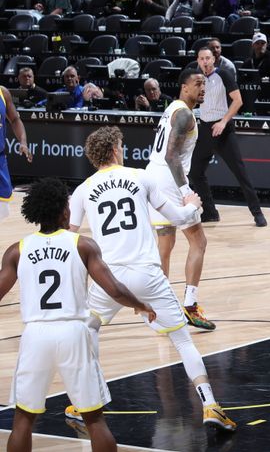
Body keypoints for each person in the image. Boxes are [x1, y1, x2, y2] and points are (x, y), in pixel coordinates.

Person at [67, 126, 236, 432]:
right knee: (182, 340)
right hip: (146, 272)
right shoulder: (141, 177)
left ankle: (84, 401)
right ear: (116, 150)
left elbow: (68, 240)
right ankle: (211, 406)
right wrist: (194, 206)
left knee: (88, 328)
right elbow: (179, 218)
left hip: (108, 277)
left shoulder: (82, 191)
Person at [1, 178, 155, 452]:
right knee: (94, 419)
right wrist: (141, 304)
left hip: (35, 334)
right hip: (73, 333)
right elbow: (115, 289)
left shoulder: (17, 250)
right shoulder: (82, 245)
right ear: (64, 211)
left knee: (23, 418)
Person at [146, 68, 215, 330]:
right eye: (198, 84)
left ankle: (160, 309)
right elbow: (171, 156)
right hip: (169, 179)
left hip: (154, 176)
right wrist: (185, 191)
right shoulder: (185, 113)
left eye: (205, 84)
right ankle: (190, 305)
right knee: (199, 240)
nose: (202, 88)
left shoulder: (172, 107)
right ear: (184, 87)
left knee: (165, 245)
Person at [189, 48, 267, 227]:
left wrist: (223, 122)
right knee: (195, 172)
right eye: (202, 59)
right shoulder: (196, 79)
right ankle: (210, 212)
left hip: (223, 128)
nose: (205, 62)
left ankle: (257, 213)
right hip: (205, 128)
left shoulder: (223, 74)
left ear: (214, 59)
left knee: (240, 172)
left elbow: (238, 100)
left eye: (208, 58)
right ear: (198, 61)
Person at [0, 86, 32, 220]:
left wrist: (23, 142)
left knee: (3, 210)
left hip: (0, 158)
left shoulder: (3, 92)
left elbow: (14, 119)